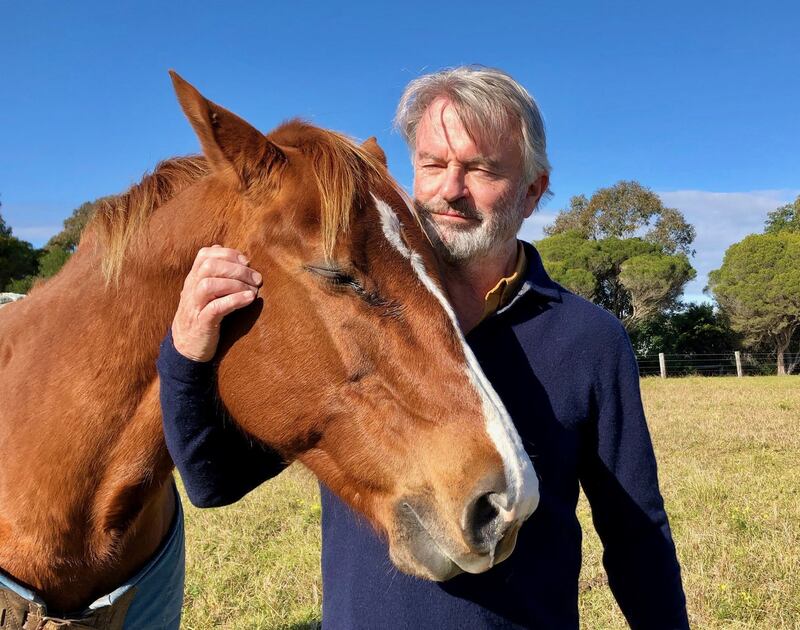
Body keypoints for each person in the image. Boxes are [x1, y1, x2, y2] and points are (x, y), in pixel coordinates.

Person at [157, 66, 689, 629]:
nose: (449, 190)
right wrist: (187, 351)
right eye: (433, 164)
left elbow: (636, 532)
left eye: (482, 169)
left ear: (532, 192)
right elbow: (212, 480)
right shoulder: (351, 314)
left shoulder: (589, 340)